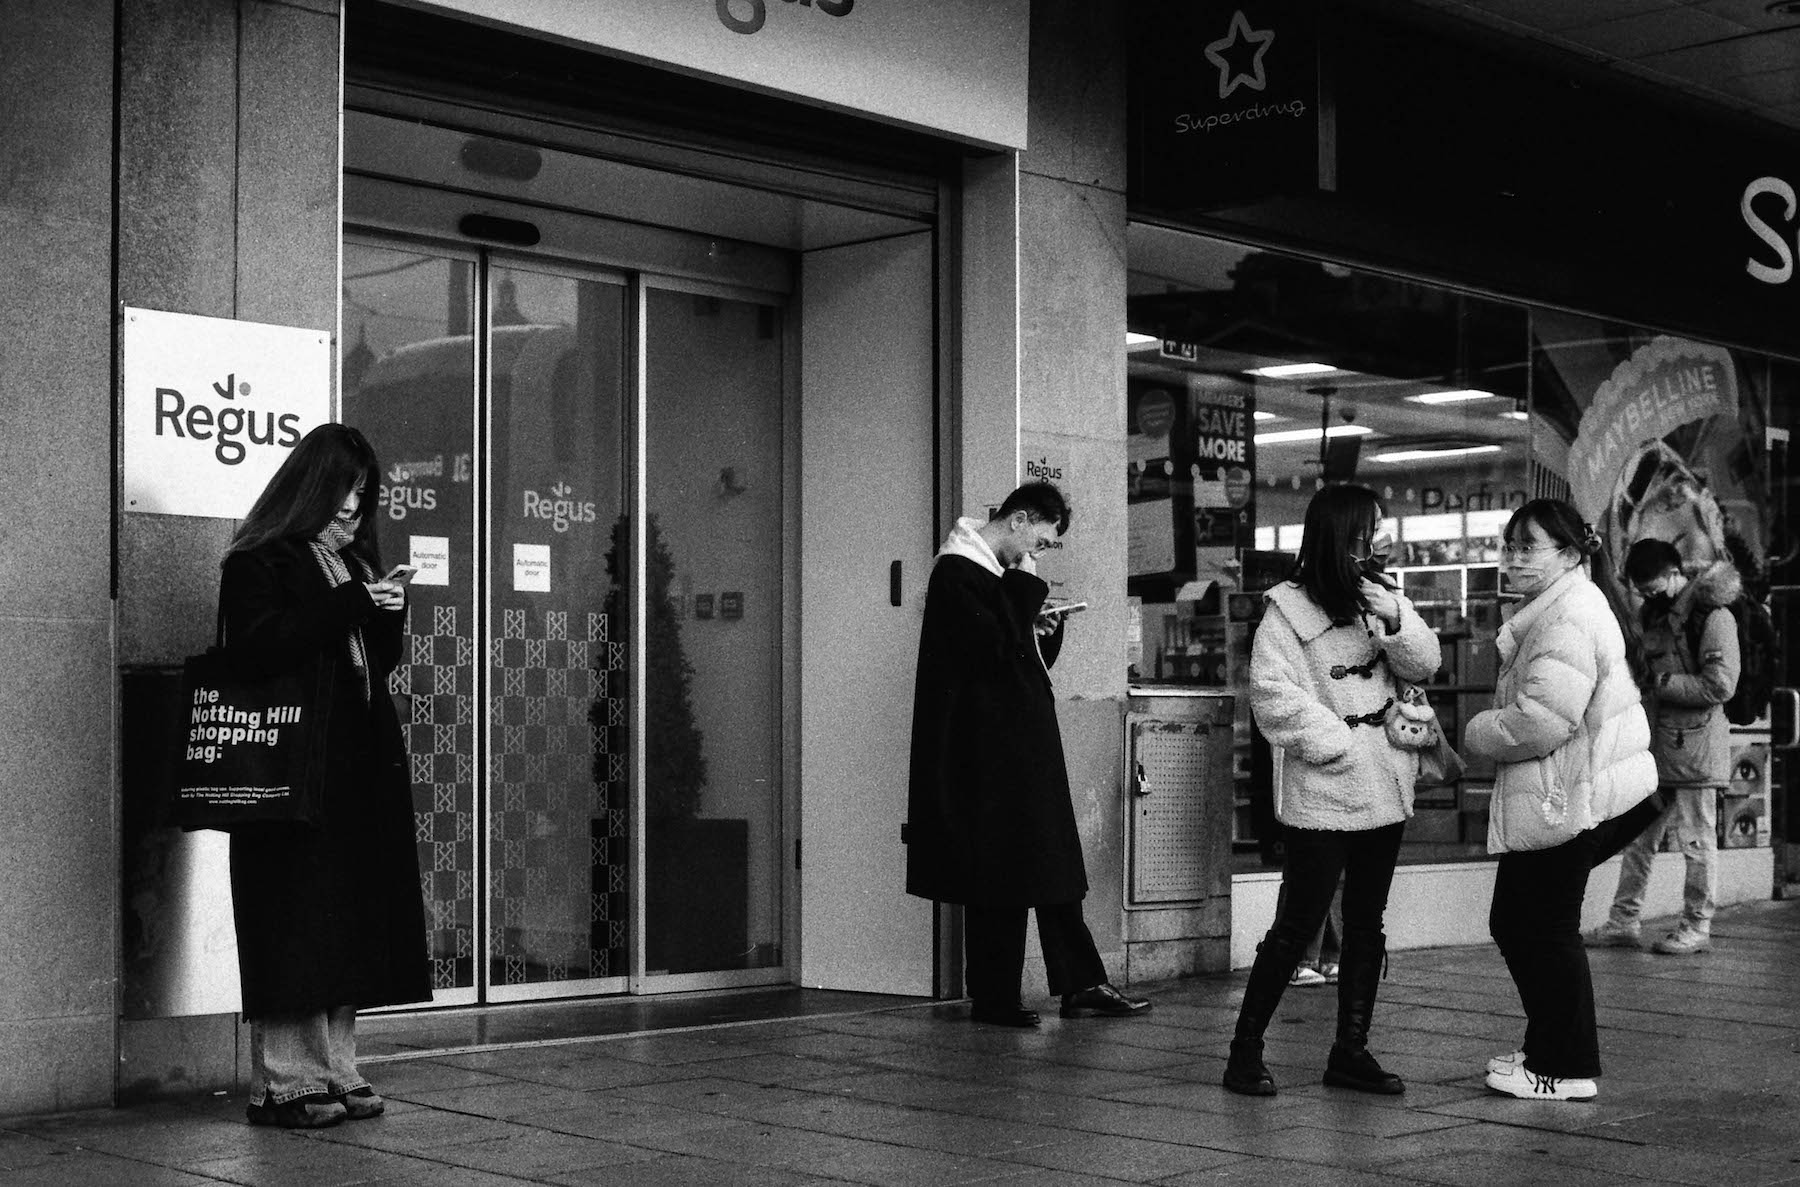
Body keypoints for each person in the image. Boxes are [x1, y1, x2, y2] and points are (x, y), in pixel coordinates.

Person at [220, 424, 432, 1128]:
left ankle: (335, 1069)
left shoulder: (353, 564)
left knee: (344, 920)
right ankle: (285, 1082)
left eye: (363, 495)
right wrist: (355, 603)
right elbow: (256, 650)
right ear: (311, 486)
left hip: (352, 774)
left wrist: (388, 612)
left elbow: (364, 667)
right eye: (344, 490)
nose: (353, 508)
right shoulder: (260, 559)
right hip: (291, 776)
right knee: (294, 918)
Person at [906, 481, 1150, 1026]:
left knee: (1044, 861)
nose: (1033, 556)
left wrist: (1042, 626)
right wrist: (1022, 592)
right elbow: (989, 654)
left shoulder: (984, 577)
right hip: (990, 749)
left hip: (1014, 743)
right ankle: (1005, 994)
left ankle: (1070, 983)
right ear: (1018, 520)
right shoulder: (957, 573)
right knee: (1006, 869)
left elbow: (1013, 653)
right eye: (1037, 542)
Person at [1225, 483, 1440, 1097]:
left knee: (1367, 924)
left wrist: (1396, 620)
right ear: (1340, 534)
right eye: (1368, 529)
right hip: (1326, 788)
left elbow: (1424, 665)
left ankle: (1351, 1051)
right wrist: (1337, 739)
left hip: (1387, 784)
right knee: (1296, 925)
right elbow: (1271, 695)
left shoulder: (1382, 598)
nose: (1375, 540)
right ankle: (1244, 1052)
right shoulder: (1286, 611)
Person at [1462, 499, 1659, 1102]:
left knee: (1541, 928)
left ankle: (1564, 1066)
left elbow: (1542, 721)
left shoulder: (1567, 614)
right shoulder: (1557, 607)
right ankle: (1550, 1044)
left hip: (1569, 797)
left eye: (1529, 547)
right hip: (1568, 791)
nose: (1513, 558)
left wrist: (1476, 732)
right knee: (1525, 924)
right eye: (1509, 545)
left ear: (1570, 555)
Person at [1586, 537, 1741, 956]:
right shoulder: (1652, 615)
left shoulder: (1713, 616)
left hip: (1694, 751)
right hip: (1654, 751)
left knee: (1696, 842)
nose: (1650, 595)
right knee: (1638, 841)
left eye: (1654, 586)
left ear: (1676, 573)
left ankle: (1697, 926)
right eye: (1644, 589)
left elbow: (1721, 684)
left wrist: (1661, 684)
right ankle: (1623, 921)